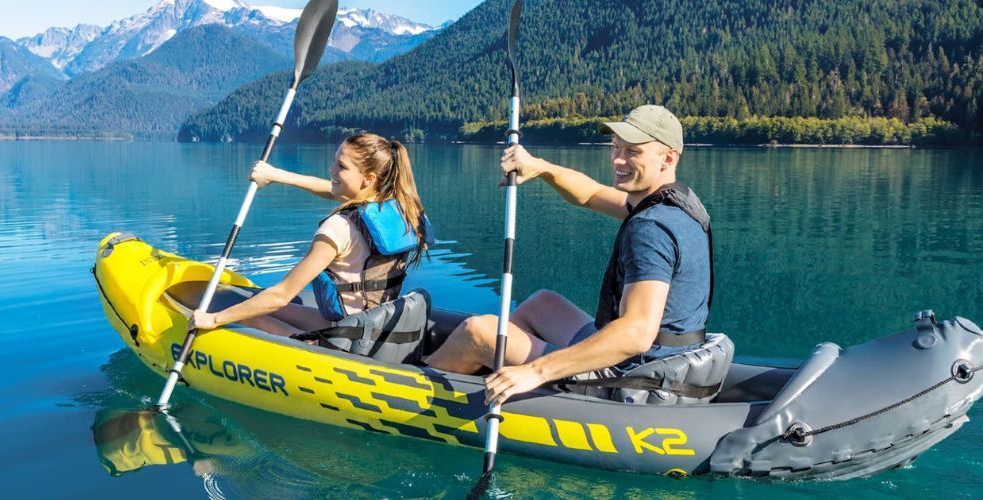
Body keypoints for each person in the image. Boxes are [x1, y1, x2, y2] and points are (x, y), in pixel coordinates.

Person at [425, 104, 714, 404]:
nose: (617, 159)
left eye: (632, 151)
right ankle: (494, 382)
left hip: (636, 374)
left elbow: (636, 333)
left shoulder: (651, 228)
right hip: (666, 357)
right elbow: (590, 194)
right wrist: (541, 167)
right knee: (542, 304)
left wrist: (537, 371)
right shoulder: (675, 202)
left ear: (668, 157)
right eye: (616, 147)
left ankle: (413, 389)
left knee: (477, 331)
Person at [190, 133, 431, 336]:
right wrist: (275, 175)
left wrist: (213, 320)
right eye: (335, 161)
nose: (331, 169)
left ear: (368, 179)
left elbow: (282, 295)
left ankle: (308, 347)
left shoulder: (339, 227)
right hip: (376, 323)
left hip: (347, 334)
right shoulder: (403, 208)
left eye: (341, 166)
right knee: (258, 304)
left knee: (246, 314)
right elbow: (331, 190)